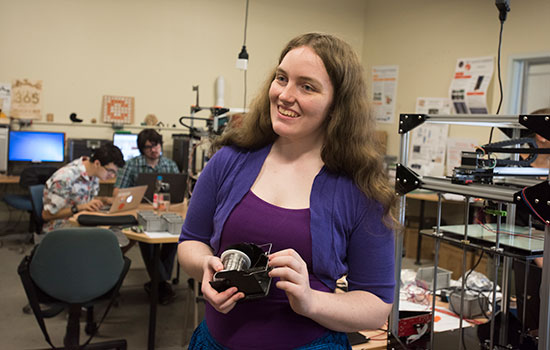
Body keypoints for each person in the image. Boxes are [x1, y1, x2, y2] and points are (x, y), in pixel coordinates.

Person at [178, 33, 396, 349]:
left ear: (337, 105)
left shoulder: (361, 189)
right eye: (282, 78)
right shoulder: (228, 161)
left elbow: (376, 305)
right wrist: (205, 267)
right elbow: (191, 242)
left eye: (307, 86)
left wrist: (311, 300)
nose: (285, 94)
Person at [114, 128, 180, 305]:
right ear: (141, 149)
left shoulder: (170, 165)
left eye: (156, 145)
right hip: (141, 213)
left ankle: (158, 282)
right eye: (149, 147)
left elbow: (178, 191)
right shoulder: (132, 165)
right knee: (147, 239)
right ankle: (161, 283)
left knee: (174, 238)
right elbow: (118, 191)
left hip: (166, 211)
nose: (154, 149)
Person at [42, 142, 125, 233]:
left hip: (81, 223)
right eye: (110, 171)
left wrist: (104, 200)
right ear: (97, 163)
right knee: (111, 237)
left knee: (116, 232)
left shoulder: (94, 173)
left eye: (115, 172)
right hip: (60, 230)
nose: (112, 176)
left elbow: (82, 199)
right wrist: (80, 207)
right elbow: (47, 215)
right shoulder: (65, 178)